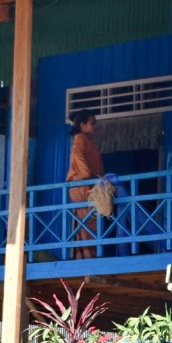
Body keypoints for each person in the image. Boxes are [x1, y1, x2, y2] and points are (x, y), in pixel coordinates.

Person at [67, 110, 103, 260]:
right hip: (82, 186)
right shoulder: (80, 138)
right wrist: (87, 176)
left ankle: (85, 257)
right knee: (88, 223)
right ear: (82, 125)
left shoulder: (87, 141)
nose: (95, 126)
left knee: (88, 223)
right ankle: (88, 258)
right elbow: (79, 158)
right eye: (92, 123)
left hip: (87, 186)